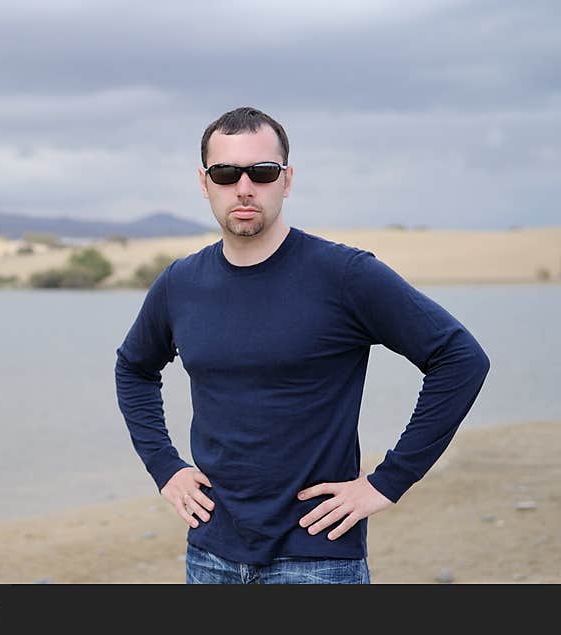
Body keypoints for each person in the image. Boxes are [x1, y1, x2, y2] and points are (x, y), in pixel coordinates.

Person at [114, 106, 490, 584]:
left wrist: (387, 483)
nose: (244, 187)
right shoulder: (181, 283)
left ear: (286, 180)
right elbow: (134, 369)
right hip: (210, 553)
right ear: (205, 183)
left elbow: (460, 359)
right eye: (226, 173)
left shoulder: (345, 275)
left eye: (262, 172)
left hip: (318, 559)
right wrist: (165, 468)